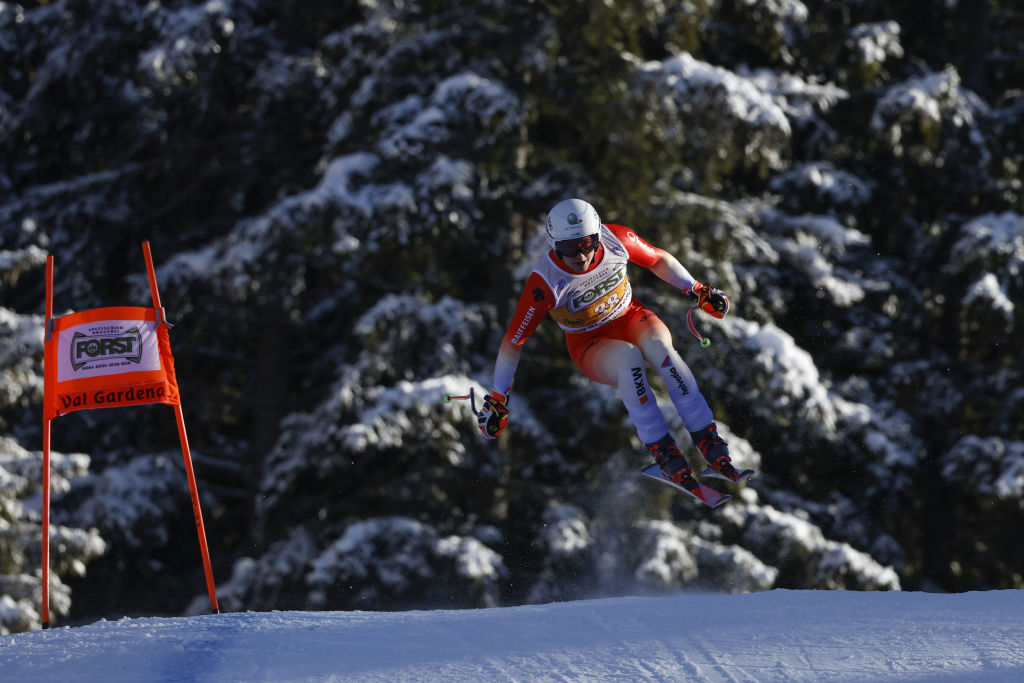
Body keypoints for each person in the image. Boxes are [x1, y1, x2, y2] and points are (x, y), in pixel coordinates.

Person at [477, 198, 742, 489]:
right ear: (554, 244)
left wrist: (697, 289)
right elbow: (513, 342)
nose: (580, 255)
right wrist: (499, 398)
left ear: (598, 234)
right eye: (569, 247)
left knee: (663, 352)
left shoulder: (617, 239)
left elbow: (657, 259)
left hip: (630, 317)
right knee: (627, 360)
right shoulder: (546, 282)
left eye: (587, 242)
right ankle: (665, 453)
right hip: (590, 343)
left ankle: (709, 440)